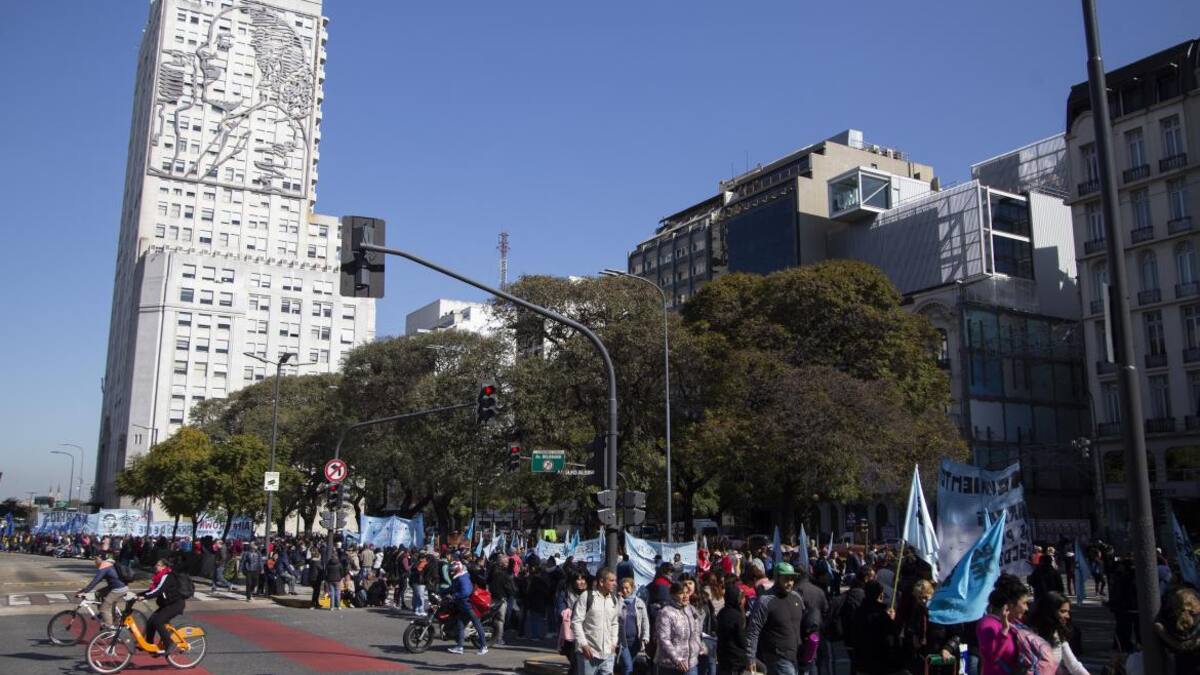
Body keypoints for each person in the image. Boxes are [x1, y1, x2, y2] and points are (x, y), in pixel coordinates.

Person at [746, 561, 806, 675]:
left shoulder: (797, 598)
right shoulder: (765, 601)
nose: (789, 583)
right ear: (777, 578)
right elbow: (753, 631)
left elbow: (803, 625)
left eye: (792, 579)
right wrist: (750, 657)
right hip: (777, 658)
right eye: (786, 579)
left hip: (796, 656)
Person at [977, 573, 1031, 675]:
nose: (1026, 608)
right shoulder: (988, 625)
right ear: (1010, 604)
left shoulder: (1015, 623)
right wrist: (1004, 631)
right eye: (1024, 603)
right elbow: (991, 657)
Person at [572, 567, 622, 675]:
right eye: (611, 580)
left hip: (608, 655)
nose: (615, 584)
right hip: (588, 654)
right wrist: (584, 644)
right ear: (601, 582)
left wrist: (614, 643)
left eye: (615, 580)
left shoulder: (614, 600)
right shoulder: (587, 596)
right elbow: (576, 622)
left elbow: (614, 623)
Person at [848, 580, 904, 675]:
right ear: (880, 595)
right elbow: (890, 638)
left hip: (862, 660)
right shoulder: (881, 616)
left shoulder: (859, 612)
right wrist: (891, 621)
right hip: (879, 661)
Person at [1030, 591, 1088, 675]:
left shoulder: (1057, 633)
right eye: (1063, 611)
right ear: (1050, 611)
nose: (1068, 616)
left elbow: (1073, 665)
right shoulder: (1030, 636)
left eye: (1068, 611)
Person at [656, 580, 705, 675]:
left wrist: (699, 646)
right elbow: (664, 639)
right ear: (673, 595)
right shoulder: (666, 612)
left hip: (691, 664)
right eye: (681, 593)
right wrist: (677, 659)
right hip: (671, 665)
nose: (685, 596)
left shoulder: (691, 609)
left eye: (687, 593)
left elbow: (696, 632)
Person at [140, 558, 186, 656]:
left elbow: (159, 590)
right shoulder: (159, 576)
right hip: (167, 604)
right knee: (150, 622)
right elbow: (153, 590)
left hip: (175, 604)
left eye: (158, 565)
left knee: (158, 621)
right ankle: (150, 646)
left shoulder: (167, 576)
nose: (155, 566)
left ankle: (170, 644)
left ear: (164, 567)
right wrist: (138, 595)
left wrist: (144, 597)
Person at [1154, 586, 1200, 675]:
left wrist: (1162, 633)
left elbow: (1179, 646)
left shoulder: (1172, 624)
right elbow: (1185, 646)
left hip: (1183, 668)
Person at [77, 554, 129, 628]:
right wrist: (84, 590)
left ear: (101, 560)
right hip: (117, 586)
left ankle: (109, 625)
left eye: (96, 560)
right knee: (98, 593)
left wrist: (84, 591)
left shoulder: (104, 567)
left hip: (118, 589)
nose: (95, 562)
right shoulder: (109, 564)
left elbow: (95, 581)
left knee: (103, 608)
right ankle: (104, 614)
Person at [448, 560, 489, 656]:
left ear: (458, 569)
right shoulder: (459, 577)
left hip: (470, 606)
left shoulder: (463, 578)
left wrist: (454, 596)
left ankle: (484, 646)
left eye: (453, 570)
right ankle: (460, 647)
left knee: (477, 625)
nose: (451, 572)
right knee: (460, 625)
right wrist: (441, 591)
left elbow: (466, 592)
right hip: (464, 606)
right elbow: (452, 588)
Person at [616, 577, 649, 675]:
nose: (624, 590)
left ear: (632, 588)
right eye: (622, 588)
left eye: (627, 588)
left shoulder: (639, 603)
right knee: (628, 666)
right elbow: (615, 615)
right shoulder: (617, 602)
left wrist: (645, 636)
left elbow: (645, 621)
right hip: (622, 641)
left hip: (635, 641)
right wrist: (620, 600)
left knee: (627, 666)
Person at [716, 582, 750, 675]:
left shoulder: (721, 613)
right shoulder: (737, 616)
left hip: (723, 656)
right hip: (735, 659)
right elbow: (741, 639)